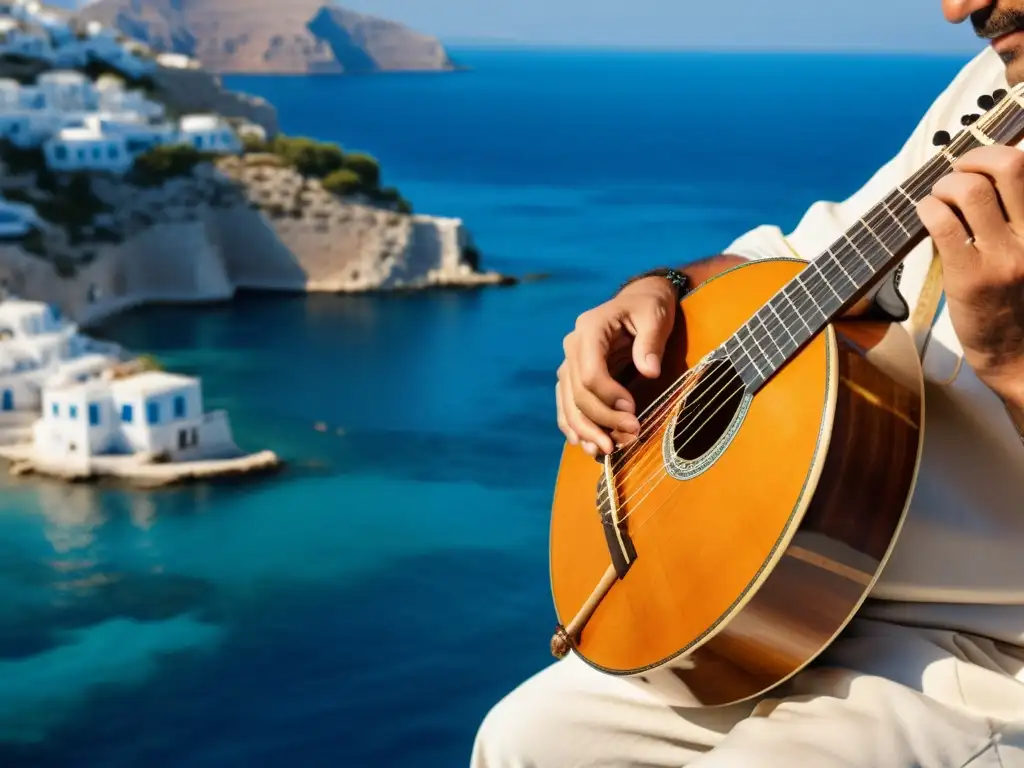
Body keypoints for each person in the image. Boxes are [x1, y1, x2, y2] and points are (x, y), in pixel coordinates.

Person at [470, 1, 1024, 766]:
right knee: (525, 737)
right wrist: (658, 291)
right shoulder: (999, 80)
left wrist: (1011, 359)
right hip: (811, 606)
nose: (958, 8)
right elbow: (809, 260)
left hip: (990, 666)